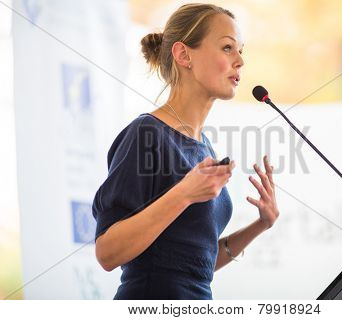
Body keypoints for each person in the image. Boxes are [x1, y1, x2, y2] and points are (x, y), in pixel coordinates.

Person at [92, 3, 280, 300]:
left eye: (241, 50)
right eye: (228, 47)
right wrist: (184, 194)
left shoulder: (203, 145)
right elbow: (107, 252)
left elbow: (192, 266)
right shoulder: (146, 134)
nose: (241, 60)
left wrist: (261, 225)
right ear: (183, 55)